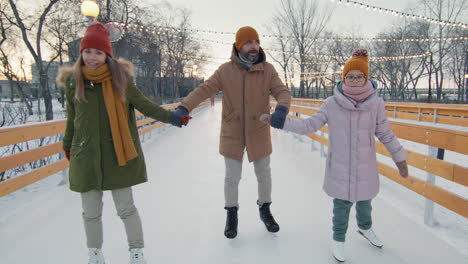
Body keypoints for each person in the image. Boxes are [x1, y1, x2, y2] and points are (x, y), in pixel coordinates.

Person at [56, 23, 190, 264]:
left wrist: (172, 117)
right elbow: (72, 119)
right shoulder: (73, 82)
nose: (92, 57)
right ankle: (94, 255)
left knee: (126, 209)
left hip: (118, 153)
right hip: (85, 154)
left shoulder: (121, 80)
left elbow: (144, 105)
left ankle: (136, 252)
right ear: (81, 52)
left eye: (98, 52)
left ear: (107, 55)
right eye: (88, 51)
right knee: (90, 213)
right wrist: (68, 145)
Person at [261, 48, 409, 262]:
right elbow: (309, 125)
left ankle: (365, 228)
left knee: (365, 201)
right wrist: (280, 121)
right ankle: (339, 240)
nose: (355, 80)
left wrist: (400, 157)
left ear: (366, 78)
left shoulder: (376, 103)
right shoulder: (332, 104)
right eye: (350, 76)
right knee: (342, 206)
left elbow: (384, 132)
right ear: (344, 78)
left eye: (359, 76)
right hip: (341, 165)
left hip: (366, 165)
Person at [172, 26, 291, 239]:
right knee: (232, 177)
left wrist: (282, 108)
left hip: (258, 129)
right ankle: (232, 215)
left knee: (264, 173)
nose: (254, 46)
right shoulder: (225, 71)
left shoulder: (268, 70)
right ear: (239, 45)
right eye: (248, 43)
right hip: (232, 130)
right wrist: (184, 107)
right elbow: (204, 89)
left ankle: (265, 210)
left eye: (256, 42)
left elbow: (282, 91)